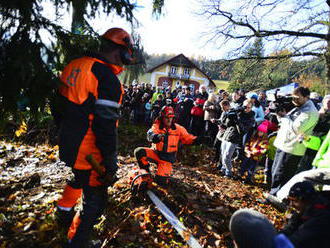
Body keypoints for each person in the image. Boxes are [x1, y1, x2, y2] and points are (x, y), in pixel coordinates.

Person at [55, 27, 135, 248]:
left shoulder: (74, 65)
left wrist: (64, 131)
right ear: (122, 50)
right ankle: (76, 240)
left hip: (69, 142)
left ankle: (62, 212)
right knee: (95, 201)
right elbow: (105, 126)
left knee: (78, 179)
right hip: (90, 150)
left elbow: (57, 107)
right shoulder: (106, 78)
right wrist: (109, 162)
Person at [269, 87, 319, 196]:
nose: (294, 100)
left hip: (292, 148)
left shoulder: (310, 111)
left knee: (281, 175)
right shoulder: (299, 107)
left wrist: (285, 117)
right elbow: (285, 122)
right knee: (275, 172)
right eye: (293, 97)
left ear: (306, 97)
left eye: (297, 98)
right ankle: (274, 195)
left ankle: (276, 198)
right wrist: (280, 115)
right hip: (284, 144)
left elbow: (298, 129)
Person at [134, 106, 200, 186]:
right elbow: (150, 134)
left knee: (161, 182)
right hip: (155, 153)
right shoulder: (157, 126)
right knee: (139, 152)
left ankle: (162, 176)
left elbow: (188, 139)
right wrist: (156, 137)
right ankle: (145, 173)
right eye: (166, 117)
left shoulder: (178, 129)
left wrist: (198, 140)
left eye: (171, 117)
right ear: (162, 117)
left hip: (166, 160)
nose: (169, 120)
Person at [280, 181, 330, 248]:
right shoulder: (304, 208)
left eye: (294, 201)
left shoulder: (322, 216)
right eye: (290, 200)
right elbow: (289, 230)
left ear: (306, 200)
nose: (291, 204)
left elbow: (298, 240)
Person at [220, 99, 255, 177]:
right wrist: (228, 115)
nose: (246, 109)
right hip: (227, 135)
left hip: (235, 138)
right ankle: (224, 169)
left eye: (248, 107)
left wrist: (237, 120)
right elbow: (226, 124)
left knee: (227, 156)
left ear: (251, 108)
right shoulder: (238, 111)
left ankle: (229, 172)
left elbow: (243, 131)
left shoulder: (251, 118)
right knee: (222, 154)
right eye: (245, 107)